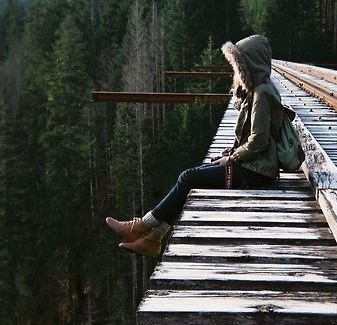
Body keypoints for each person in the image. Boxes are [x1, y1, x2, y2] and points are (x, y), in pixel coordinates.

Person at [106, 35, 284, 258]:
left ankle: (142, 227)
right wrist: (232, 151)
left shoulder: (261, 95)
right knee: (195, 176)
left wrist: (233, 158)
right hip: (255, 166)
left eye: (239, 66)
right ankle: (153, 237)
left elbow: (258, 141)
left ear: (251, 64)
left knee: (188, 177)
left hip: (258, 172)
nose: (236, 72)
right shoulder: (260, 90)